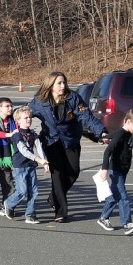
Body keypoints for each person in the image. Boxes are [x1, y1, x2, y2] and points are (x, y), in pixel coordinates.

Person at [29, 72, 108, 222]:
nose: (63, 86)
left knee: (73, 172)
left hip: (70, 140)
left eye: (64, 82)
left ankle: (53, 198)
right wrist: (10, 123)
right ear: (50, 85)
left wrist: (101, 132)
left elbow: (87, 117)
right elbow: (24, 113)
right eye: (59, 83)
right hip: (51, 142)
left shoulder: (73, 98)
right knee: (57, 176)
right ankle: (60, 212)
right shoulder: (39, 101)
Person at [96, 108, 133, 235]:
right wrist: (104, 169)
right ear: (128, 121)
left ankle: (103, 218)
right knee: (123, 197)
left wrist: (104, 138)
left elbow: (111, 136)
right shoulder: (121, 134)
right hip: (116, 170)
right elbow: (108, 151)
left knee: (114, 196)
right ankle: (127, 223)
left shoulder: (125, 133)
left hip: (122, 171)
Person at [3, 107, 49, 223]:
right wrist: (39, 159)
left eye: (29, 117)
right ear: (18, 121)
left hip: (31, 165)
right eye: (25, 118)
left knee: (33, 191)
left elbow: (39, 147)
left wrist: (45, 161)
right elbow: (24, 151)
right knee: (22, 191)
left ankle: (30, 214)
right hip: (20, 166)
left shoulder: (33, 133)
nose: (28, 119)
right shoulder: (17, 135)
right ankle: (9, 203)